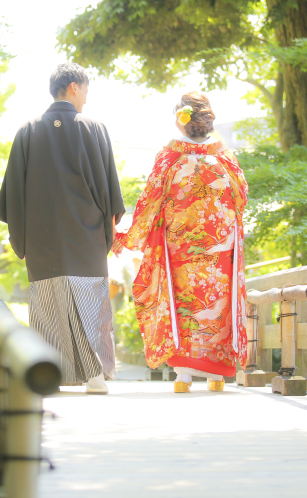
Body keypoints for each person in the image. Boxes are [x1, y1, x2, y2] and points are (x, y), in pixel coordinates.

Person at [0, 63, 125, 394]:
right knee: (91, 304)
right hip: (87, 236)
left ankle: (50, 376)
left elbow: (14, 193)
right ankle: (95, 377)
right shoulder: (94, 128)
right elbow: (109, 192)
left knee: (48, 308)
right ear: (73, 87)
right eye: (86, 90)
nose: (86, 99)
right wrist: (106, 235)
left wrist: (22, 240)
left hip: (42, 238)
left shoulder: (27, 130)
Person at [112, 91, 248, 393]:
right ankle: (217, 376)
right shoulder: (224, 156)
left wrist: (128, 237)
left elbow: (150, 200)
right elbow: (242, 197)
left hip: (182, 247)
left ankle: (183, 376)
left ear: (180, 120)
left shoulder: (171, 156)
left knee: (185, 302)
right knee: (217, 303)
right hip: (220, 247)